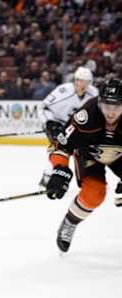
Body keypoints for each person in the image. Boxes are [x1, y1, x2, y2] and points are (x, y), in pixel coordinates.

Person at [45, 78, 122, 253]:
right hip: (89, 154)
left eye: (116, 107)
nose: (110, 113)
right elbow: (61, 146)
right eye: (106, 106)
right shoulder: (86, 115)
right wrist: (59, 170)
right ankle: (70, 222)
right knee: (94, 194)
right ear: (99, 102)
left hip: (120, 156)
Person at [39, 67, 99, 187]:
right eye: (79, 81)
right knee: (59, 149)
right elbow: (43, 108)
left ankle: (85, 178)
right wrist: (49, 123)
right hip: (56, 123)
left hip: (74, 126)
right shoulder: (63, 91)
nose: (82, 85)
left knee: (84, 151)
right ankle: (47, 177)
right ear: (75, 81)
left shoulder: (94, 94)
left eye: (86, 82)